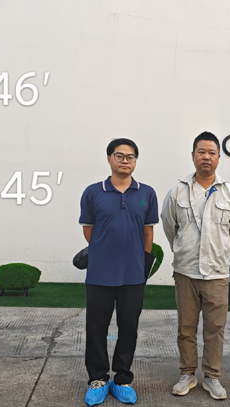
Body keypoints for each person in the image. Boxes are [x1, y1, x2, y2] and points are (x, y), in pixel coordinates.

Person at [161, 131, 230, 400]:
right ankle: (187, 373)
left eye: (211, 152)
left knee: (215, 329)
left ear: (219, 157)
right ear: (193, 156)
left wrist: (218, 252)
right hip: (186, 271)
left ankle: (212, 376)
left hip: (217, 274)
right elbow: (170, 226)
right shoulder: (178, 191)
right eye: (201, 152)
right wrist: (183, 250)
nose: (206, 157)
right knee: (186, 328)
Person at [79, 138, 159, 405]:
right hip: (99, 274)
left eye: (131, 157)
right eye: (120, 156)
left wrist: (140, 262)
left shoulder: (146, 193)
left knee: (129, 328)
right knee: (96, 328)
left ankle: (122, 378)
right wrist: (105, 252)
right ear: (109, 159)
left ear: (135, 161)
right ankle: (98, 378)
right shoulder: (93, 192)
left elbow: (148, 233)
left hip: (133, 275)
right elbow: (89, 230)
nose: (125, 161)